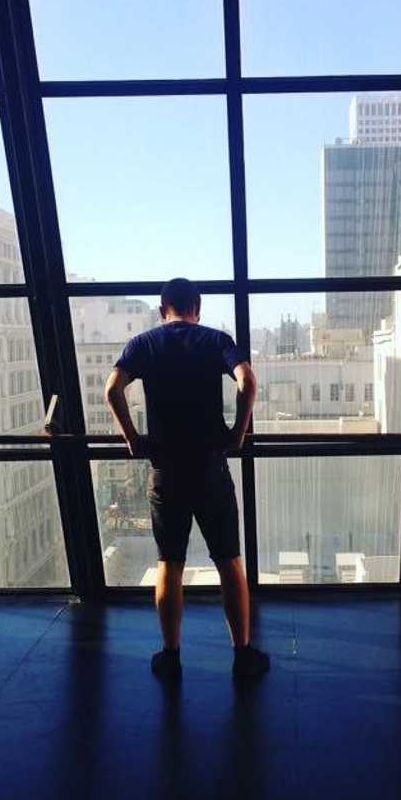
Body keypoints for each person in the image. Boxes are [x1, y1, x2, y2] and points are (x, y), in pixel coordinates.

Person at [104, 277, 270, 682]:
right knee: (228, 560)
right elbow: (248, 381)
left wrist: (132, 439)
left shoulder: (143, 344)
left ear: (164, 309)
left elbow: (112, 390)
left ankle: (171, 655)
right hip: (210, 467)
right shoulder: (215, 340)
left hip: (166, 470)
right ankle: (242, 653)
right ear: (197, 308)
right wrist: (238, 432)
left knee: (170, 563)